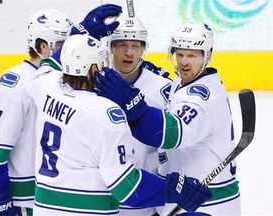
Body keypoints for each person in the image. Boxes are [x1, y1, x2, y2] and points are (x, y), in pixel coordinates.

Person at [27, 33, 211, 216]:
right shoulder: (105, 114)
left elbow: (48, 65)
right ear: (93, 69)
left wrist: (81, 30)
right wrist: (172, 190)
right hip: (87, 211)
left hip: (44, 208)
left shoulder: (45, 87)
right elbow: (126, 187)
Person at [0, 4, 122, 216]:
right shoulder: (15, 85)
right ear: (41, 47)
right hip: (25, 202)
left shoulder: (63, 82)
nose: (70, 50)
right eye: (61, 44)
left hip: (51, 199)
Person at [94, 22, 241, 215]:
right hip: (184, 199)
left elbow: (169, 134)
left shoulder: (202, 96)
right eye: (180, 54)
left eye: (192, 55)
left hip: (205, 203)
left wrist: (131, 102)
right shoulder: (183, 82)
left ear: (207, 56)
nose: (184, 62)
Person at [106, 16, 171, 216]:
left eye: (135, 45)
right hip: (103, 198)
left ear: (144, 49)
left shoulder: (162, 89)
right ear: (111, 48)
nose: (129, 52)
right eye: (122, 45)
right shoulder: (95, 84)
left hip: (145, 200)